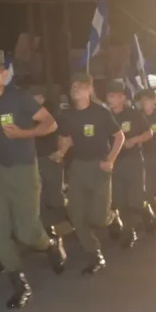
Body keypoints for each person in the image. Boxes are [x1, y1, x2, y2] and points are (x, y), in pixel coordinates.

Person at [0, 50, 67, 309]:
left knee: (27, 232)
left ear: (3, 73)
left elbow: (51, 123)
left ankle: (51, 243)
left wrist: (24, 133)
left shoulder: (20, 98)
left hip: (23, 171)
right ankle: (20, 284)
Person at [52, 73, 124, 275]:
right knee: (76, 215)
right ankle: (94, 254)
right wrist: (61, 152)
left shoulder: (101, 112)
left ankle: (112, 216)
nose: (76, 88)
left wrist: (110, 160)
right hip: (78, 168)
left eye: (81, 86)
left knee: (99, 218)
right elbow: (67, 139)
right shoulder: (67, 114)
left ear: (90, 90)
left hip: (99, 166)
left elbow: (119, 136)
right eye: (74, 85)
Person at [104, 81, 156, 248]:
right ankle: (129, 232)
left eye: (114, 96)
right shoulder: (105, 116)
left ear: (122, 98)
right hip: (115, 162)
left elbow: (149, 132)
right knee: (120, 202)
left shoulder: (133, 114)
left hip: (133, 160)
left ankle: (146, 209)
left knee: (135, 199)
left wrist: (134, 140)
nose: (110, 99)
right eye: (108, 96)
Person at [27, 85, 67, 237]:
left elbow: (67, 135)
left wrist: (61, 152)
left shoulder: (54, 115)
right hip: (34, 161)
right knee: (40, 197)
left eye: (34, 97)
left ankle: (73, 215)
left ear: (41, 98)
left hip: (51, 160)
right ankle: (48, 228)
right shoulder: (26, 118)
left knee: (56, 198)